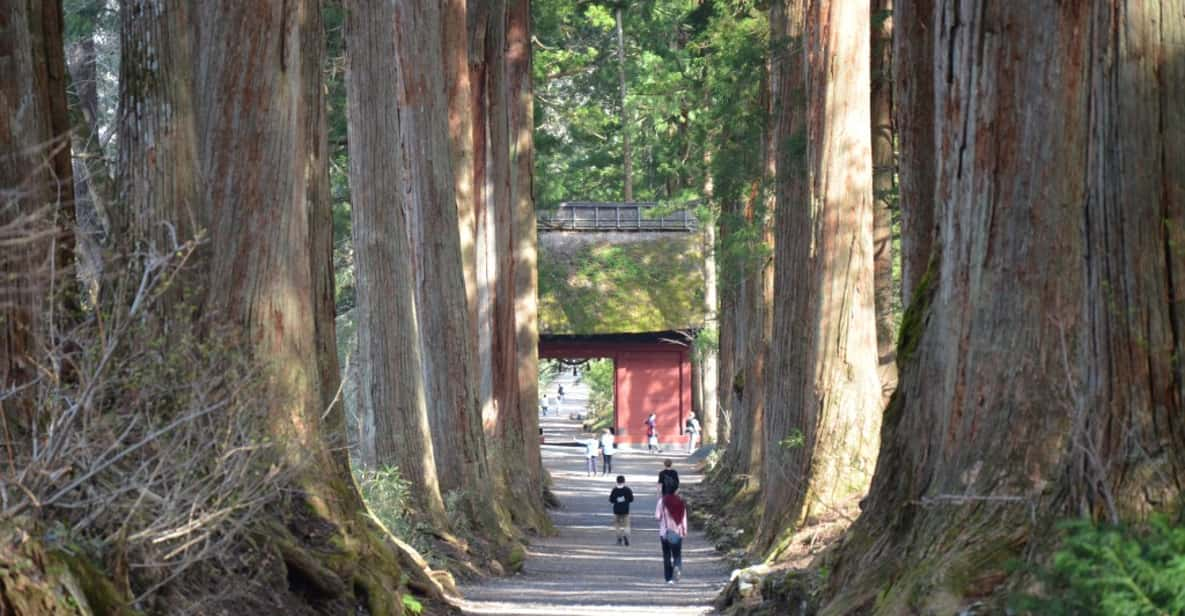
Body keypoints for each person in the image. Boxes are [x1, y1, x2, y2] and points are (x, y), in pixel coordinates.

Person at [656, 491, 688, 584]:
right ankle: (677, 567)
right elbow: (683, 518)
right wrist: (684, 530)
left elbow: (657, 516)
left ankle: (668, 578)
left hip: (665, 533)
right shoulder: (680, 502)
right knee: (677, 555)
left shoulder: (662, 501)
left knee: (666, 555)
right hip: (677, 532)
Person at [608, 475, 634, 546]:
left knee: (617, 525)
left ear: (617, 481)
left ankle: (619, 538)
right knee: (626, 525)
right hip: (625, 510)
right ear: (624, 481)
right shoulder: (627, 489)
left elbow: (611, 500)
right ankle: (626, 536)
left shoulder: (614, 490)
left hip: (616, 510)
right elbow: (632, 499)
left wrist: (617, 500)